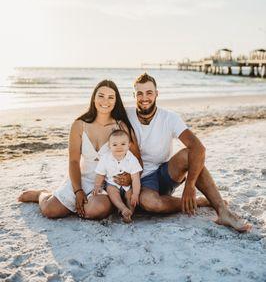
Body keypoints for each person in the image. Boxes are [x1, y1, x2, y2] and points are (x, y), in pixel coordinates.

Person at [125, 73, 251, 232]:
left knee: (189, 154)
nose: (144, 98)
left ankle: (223, 212)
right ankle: (198, 202)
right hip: (141, 181)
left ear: (157, 93)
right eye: (139, 93)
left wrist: (189, 186)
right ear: (133, 95)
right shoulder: (125, 115)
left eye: (149, 92)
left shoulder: (169, 117)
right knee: (151, 203)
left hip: (164, 173)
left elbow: (198, 148)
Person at [18, 80, 141, 220]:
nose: (105, 101)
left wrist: (128, 179)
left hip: (108, 183)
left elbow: (136, 158)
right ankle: (41, 194)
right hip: (82, 178)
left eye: (111, 97)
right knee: (50, 211)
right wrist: (78, 191)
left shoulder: (121, 127)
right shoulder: (79, 125)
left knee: (94, 211)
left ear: (115, 101)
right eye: (101, 96)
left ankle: (99, 204)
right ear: (94, 98)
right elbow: (74, 161)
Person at [93, 129, 142, 223]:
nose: (119, 147)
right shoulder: (105, 158)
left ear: (129, 145)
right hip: (112, 184)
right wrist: (97, 186)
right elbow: (100, 174)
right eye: (115, 144)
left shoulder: (132, 159)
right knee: (112, 191)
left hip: (128, 186)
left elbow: (136, 179)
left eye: (123, 144)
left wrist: (136, 194)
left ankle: (129, 213)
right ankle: (122, 208)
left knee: (130, 195)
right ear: (109, 146)